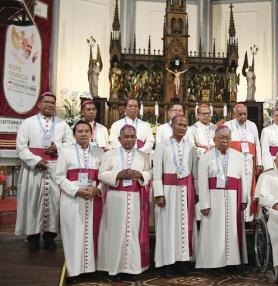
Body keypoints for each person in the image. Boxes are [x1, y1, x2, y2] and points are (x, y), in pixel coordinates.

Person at [15, 92, 73, 252]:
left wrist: (58, 147)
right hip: (33, 169)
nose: (49, 105)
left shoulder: (63, 124)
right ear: (39, 104)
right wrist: (35, 160)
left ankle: (50, 237)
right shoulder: (27, 123)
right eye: (46, 102)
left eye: (52, 103)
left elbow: (71, 144)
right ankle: (32, 237)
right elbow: (21, 147)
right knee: (32, 201)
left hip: (55, 168)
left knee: (54, 202)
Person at [98, 125, 152, 280]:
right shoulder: (110, 155)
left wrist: (140, 174)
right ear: (119, 139)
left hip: (135, 198)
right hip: (116, 198)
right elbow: (101, 174)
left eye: (132, 137)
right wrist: (118, 175)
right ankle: (114, 268)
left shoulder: (143, 156)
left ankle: (131, 269)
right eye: (126, 137)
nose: (129, 140)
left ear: (136, 139)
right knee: (116, 233)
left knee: (133, 232)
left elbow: (150, 172)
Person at [54, 121, 104, 282]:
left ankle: (91, 269)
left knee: (92, 233)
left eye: (86, 131)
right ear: (74, 134)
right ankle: (74, 271)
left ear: (91, 134)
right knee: (73, 234)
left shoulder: (99, 152)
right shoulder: (66, 151)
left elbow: (104, 174)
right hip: (73, 199)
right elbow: (59, 176)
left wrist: (98, 189)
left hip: (94, 199)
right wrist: (76, 190)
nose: (83, 134)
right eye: (79, 131)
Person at [196, 125, 248, 269]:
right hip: (214, 199)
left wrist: (244, 199)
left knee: (232, 229)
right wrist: (204, 204)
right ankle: (213, 263)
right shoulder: (206, 157)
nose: (224, 140)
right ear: (214, 139)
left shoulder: (239, 156)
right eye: (221, 137)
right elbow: (202, 181)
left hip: (233, 199)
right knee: (214, 232)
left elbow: (243, 179)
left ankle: (232, 262)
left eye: (227, 137)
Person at [153, 115, 198, 277]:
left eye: (185, 125)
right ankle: (167, 263)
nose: (182, 127)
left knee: (185, 226)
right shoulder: (162, 146)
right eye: (179, 124)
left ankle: (183, 262)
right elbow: (157, 172)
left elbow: (195, 173)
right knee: (168, 227)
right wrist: (158, 193)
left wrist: (197, 192)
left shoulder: (191, 147)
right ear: (172, 125)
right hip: (168, 191)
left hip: (186, 191)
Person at [225, 103, 262, 221]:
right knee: (237, 186)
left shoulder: (252, 125)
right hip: (234, 162)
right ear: (234, 114)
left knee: (249, 187)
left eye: (244, 114)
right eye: (239, 114)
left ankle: (248, 218)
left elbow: (257, 145)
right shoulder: (228, 125)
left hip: (249, 162)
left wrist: (258, 163)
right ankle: (235, 216)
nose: (242, 117)